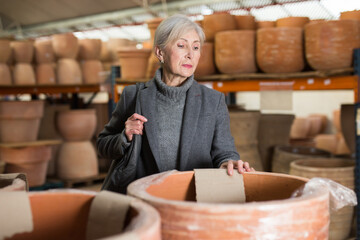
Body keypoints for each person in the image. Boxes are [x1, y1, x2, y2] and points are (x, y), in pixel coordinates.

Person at [97, 14, 255, 186]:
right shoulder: (133, 95)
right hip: (144, 194)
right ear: (160, 52)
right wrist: (124, 137)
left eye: (196, 48)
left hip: (192, 197)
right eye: (181, 45)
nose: (190, 55)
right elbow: (102, 145)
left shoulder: (213, 101)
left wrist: (229, 163)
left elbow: (224, 153)